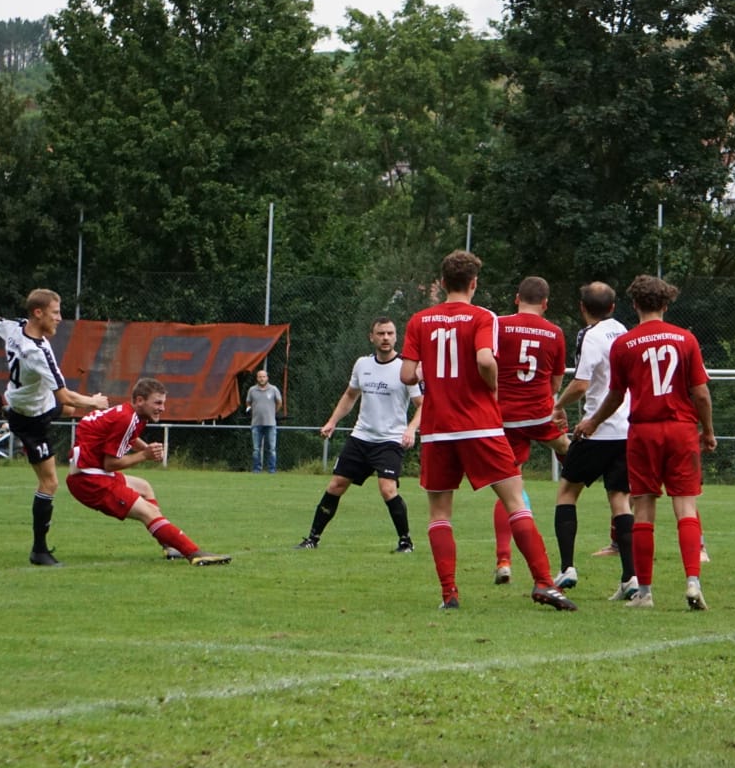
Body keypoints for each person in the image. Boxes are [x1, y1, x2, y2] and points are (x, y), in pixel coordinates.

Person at [400, 250, 576, 612]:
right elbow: (484, 359)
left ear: (443, 282)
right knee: (514, 501)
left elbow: (406, 375)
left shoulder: (419, 320)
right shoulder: (484, 317)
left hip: (437, 429)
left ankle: (449, 594)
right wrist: (492, 387)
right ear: (474, 283)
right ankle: (544, 582)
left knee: (439, 514)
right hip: (480, 424)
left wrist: (429, 376)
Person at [576, 275, 714, 611]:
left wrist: (593, 421)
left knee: (644, 509)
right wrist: (707, 431)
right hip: (681, 430)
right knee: (685, 506)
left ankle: (645, 592)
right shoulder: (686, 339)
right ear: (666, 304)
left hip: (643, 432)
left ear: (634, 304)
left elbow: (615, 394)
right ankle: (693, 583)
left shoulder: (624, 343)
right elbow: (700, 392)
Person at [0, 272, 111, 566]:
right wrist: (95, 402)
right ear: (38, 313)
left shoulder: (17, 328)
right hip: (29, 419)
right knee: (49, 484)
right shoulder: (36, 353)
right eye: (55, 313)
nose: (59, 318)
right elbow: (66, 397)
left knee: (74, 412)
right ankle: (39, 550)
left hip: (38, 403)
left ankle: (96, 451)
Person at [66, 377, 230, 565]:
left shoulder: (130, 414)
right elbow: (110, 463)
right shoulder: (127, 418)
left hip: (91, 473)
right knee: (149, 513)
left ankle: (169, 545)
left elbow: (129, 437)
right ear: (139, 401)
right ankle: (195, 553)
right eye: (157, 403)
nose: (162, 408)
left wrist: (146, 448)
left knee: (144, 487)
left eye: (163, 403)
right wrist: (145, 455)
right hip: (90, 480)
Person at [295, 317, 423, 552]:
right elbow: (350, 395)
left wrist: (411, 428)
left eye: (390, 333)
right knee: (336, 485)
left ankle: (406, 542)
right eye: (381, 333)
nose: (385, 338)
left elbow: (423, 405)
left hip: (389, 440)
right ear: (371, 337)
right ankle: (312, 539)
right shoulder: (362, 364)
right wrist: (332, 422)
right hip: (361, 437)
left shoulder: (405, 367)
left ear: (396, 337)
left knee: (387, 489)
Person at [552, 282, 637, 599]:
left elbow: (581, 383)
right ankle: (630, 577)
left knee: (567, 493)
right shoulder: (622, 330)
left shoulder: (593, 335)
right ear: (613, 307)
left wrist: (557, 405)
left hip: (596, 429)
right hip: (625, 430)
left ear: (582, 307)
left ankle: (566, 568)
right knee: (619, 499)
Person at [490, 276, 569, 584]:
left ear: (516, 298)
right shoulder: (555, 332)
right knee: (567, 448)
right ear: (546, 303)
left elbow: (486, 363)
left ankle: (503, 560)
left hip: (504, 417)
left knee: (509, 486)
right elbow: (556, 384)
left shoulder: (499, 325)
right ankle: (574, 487)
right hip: (538, 414)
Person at [245, 369, 282, 473]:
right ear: (257, 378)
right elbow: (248, 402)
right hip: (256, 423)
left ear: (267, 378)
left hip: (270, 423)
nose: (262, 379)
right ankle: (256, 469)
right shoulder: (252, 390)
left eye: (263, 377)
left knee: (271, 449)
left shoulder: (273, 389)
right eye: (260, 377)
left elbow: (279, 402)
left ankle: (272, 470)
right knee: (256, 449)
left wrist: (273, 412)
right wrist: (249, 409)